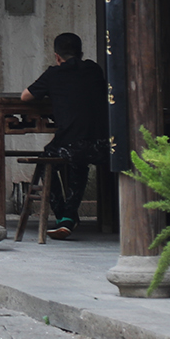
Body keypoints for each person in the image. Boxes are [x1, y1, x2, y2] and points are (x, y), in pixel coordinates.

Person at [21, 31, 110, 240]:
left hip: (71, 144)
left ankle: (63, 214)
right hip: (103, 144)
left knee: (47, 160)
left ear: (57, 56)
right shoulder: (94, 70)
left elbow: (25, 96)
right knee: (79, 163)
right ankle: (69, 217)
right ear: (81, 53)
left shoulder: (54, 73)